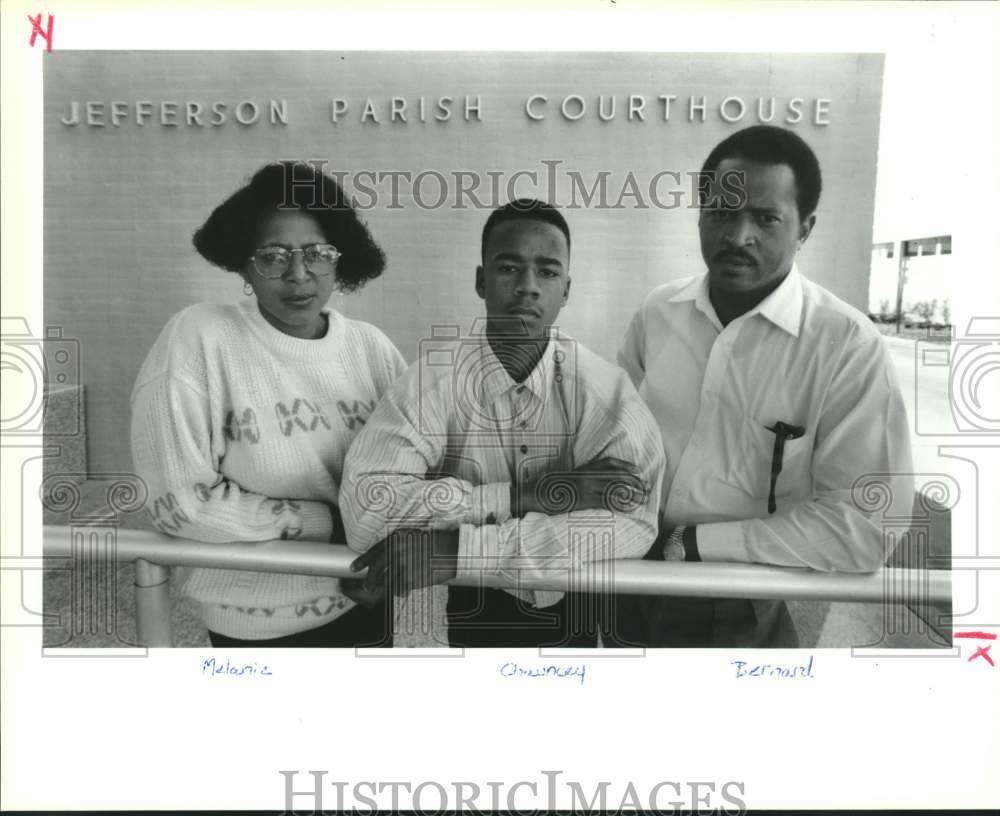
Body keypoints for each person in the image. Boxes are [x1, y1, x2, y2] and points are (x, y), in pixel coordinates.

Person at [611, 125, 914, 647]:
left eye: (766, 218)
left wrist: (692, 543)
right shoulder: (658, 313)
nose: (737, 235)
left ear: (805, 228)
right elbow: (615, 439)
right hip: (626, 579)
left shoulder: (844, 345)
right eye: (722, 213)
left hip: (739, 598)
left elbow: (867, 527)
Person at [340, 199, 665, 647]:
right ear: (481, 280)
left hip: (577, 594)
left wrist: (457, 551)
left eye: (547, 272)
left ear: (566, 290)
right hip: (477, 603)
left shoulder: (605, 392)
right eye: (509, 268)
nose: (528, 287)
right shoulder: (430, 383)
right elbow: (365, 511)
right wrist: (531, 495)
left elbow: (634, 524)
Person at [130, 161, 407, 647]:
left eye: (318, 253)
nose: (298, 275)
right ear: (243, 263)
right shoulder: (199, 340)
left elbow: (411, 466)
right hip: (257, 632)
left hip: (365, 603)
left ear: (341, 259)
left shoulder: (370, 347)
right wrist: (330, 523)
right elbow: (178, 503)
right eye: (273, 255)